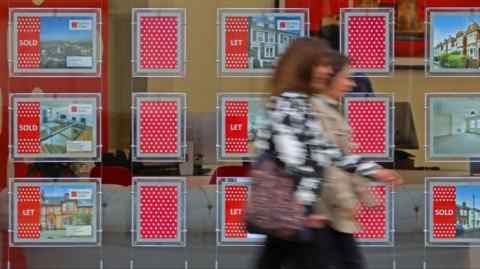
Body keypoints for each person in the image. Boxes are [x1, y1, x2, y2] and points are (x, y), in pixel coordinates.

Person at [253, 37, 401, 269]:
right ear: (304, 66)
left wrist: (372, 171)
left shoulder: (297, 103)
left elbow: (323, 150)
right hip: (295, 212)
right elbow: (297, 161)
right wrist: (304, 208)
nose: (326, 71)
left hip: (295, 214)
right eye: (320, 65)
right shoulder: (290, 105)